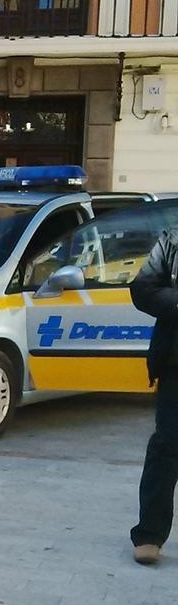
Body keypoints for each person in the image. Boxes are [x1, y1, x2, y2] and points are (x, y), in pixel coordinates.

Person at [128, 233, 178, 565]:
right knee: (167, 446)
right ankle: (150, 535)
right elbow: (142, 290)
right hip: (176, 361)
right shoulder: (173, 240)